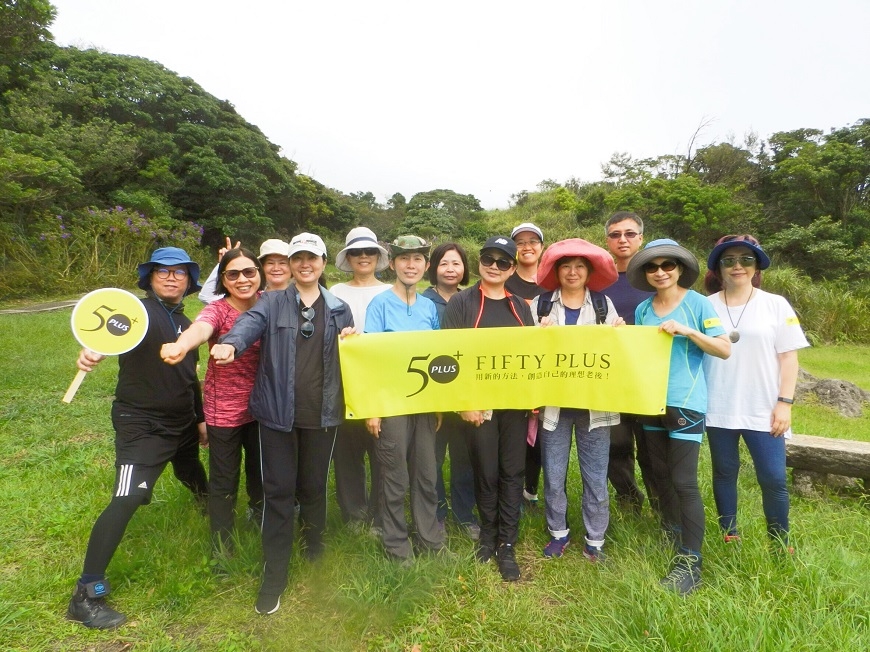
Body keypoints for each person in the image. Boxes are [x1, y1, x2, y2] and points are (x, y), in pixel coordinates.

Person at [211, 233, 354, 616]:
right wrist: (230, 343)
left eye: (312, 257)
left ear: (323, 262)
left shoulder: (340, 308)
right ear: (289, 264)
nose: (305, 264)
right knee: (278, 493)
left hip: (322, 416)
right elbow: (247, 325)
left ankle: (314, 547)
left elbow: (353, 355)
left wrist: (355, 341)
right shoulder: (270, 302)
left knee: (313, 487)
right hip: (276, 417)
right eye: (298, 258)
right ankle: (274, 575)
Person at [67, 247, 209, 629]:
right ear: (148, 278)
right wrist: (89, 353)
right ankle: (86, 591)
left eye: (180, 272)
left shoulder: (185, 320)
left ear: (189, 281)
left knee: (191, 468)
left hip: (181, 419)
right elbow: (104, 334)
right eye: (161, 271)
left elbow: (189, 375)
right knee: (128, 497)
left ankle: (207, 505)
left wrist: (198, 418)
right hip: (142, 423)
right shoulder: (138, 314)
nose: (170, 277)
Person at [626, 238, 730, 595]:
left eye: (667, 265)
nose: (660, 272)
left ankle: (691, 562)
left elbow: (724, 348)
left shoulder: (698, 304)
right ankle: (674, 535)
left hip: (686, 402)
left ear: (679, 269)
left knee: (684, 480)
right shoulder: (642, 310)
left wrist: (687, 330)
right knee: (659, 474)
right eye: (652, 267)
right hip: (650, 402)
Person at [703, 235, 809, 552]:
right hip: (718, 404)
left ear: (756, 266)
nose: (738, 266)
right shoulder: (704, 306)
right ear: (718, 267)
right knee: (724, 472)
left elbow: (789, 357)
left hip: (764, 407)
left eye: (746, 259)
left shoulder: (776, 305)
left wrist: (784, 404)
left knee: (774, 478)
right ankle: (729, 533)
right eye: (729, 260)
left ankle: (779, 541)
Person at [160, 247, 266, 552]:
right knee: (224, 481)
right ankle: (223, 546)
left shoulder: (270, 305)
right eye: (233, 274)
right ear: (223, 279)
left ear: (259, 274)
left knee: (261, 474)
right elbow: (201, 328)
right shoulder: (218, 310)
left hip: (263, 408)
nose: (243, 279)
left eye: (249, 272)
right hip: (225, 411)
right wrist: (181, 345)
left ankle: (262, 524)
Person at [442, 235, 535, 582]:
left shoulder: (520, 306)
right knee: (486, 470)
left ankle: (506, 543)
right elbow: (450, 355)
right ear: (479, 262)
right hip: (478, 405)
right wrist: (464, 402)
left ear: (512, 268)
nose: (494, 267)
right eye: (488, 259)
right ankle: (487, 534)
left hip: (513, 405)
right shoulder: (462, 303)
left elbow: (532, 355)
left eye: (503, 262)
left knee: (512, 472)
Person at [530, 239, 622, 561]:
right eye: (566, 266)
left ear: (588, 271)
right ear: (556, 271)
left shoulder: (602, 304)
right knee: (553, 474)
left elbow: (616, 351)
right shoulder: (540, 305)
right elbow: (527, 356)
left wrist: (619, 333)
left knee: (595, 476)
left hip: (594, 407)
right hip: (553, 407)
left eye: (579, 266)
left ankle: (595, 539)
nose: (572, 272)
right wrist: (538, 335)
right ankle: (559, 533)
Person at [364, 235, 448, 563]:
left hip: (424, 404)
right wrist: (373, 409)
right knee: (394, 477)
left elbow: (441, 359)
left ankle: (431, 541)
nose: (410, 265)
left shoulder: (429, 308)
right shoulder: (380, 304)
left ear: (426, 266)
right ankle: (397, 547)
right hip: (391, 404)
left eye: (417, 259)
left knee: (427, 475)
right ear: (393, 264)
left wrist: (440, 403)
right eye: (404, 259)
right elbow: (370, 359)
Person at [329, 227, 391, 532]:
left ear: (378, 257)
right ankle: (354, 512)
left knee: (383, 451)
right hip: (342, 382)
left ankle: (381, 514)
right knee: (347, 452)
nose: (363, 257)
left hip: (382, 381)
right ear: (348, 257)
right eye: (356, 252)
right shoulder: (335, 292)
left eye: (369, 252)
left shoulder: (390, 291)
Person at [601, 211, 659, 515]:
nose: (622, 239)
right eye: (615, 234)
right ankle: (629, 499)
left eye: (629, 233)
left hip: (650, 377)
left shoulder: (656, 276)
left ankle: (661, 507)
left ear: (641, 238)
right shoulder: (599, 281)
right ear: (607, 240)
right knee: (615, 446)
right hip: (611, 378)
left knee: (652, 448)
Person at [421, 243, 480, 541]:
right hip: (434, 392)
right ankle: (437, 513)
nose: (450, 269)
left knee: (464, 457)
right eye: (444, 263)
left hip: (466, 391)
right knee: (432, 458)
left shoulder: (472, 300)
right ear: (433, 268)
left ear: (464, 269)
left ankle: (464, 514)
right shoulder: (423, 302)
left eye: (456, 264)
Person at [504, 222, 547, 510]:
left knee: (543, 434)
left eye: (533, 241)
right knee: (516, 432)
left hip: (546, 368)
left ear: (542, 247)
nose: (527, 246)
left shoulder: (552, 282)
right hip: (511, 367)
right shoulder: (504, 280)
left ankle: (531, 489)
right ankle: (511, 489)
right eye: (520, 242)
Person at [198, 238, 292, 302]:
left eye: (282, 263)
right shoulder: (251, 296)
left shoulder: (300, 296)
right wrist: (225, 263)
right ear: (261, 267)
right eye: (270, 263)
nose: (276, 268)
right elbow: (206, 297)